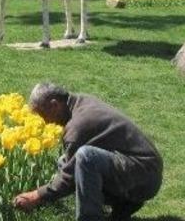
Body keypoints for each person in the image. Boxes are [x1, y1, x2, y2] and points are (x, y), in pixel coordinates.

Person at [13, 83, 163, 221]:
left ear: (54, 105)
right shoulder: (81, 101)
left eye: (42, 114)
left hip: (145, 176)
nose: (45, 121)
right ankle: (123, 207)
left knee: (85, 157)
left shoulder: (78, 126)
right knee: (66, 161)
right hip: (145, 171)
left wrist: (37, 195)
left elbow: (68, 179)